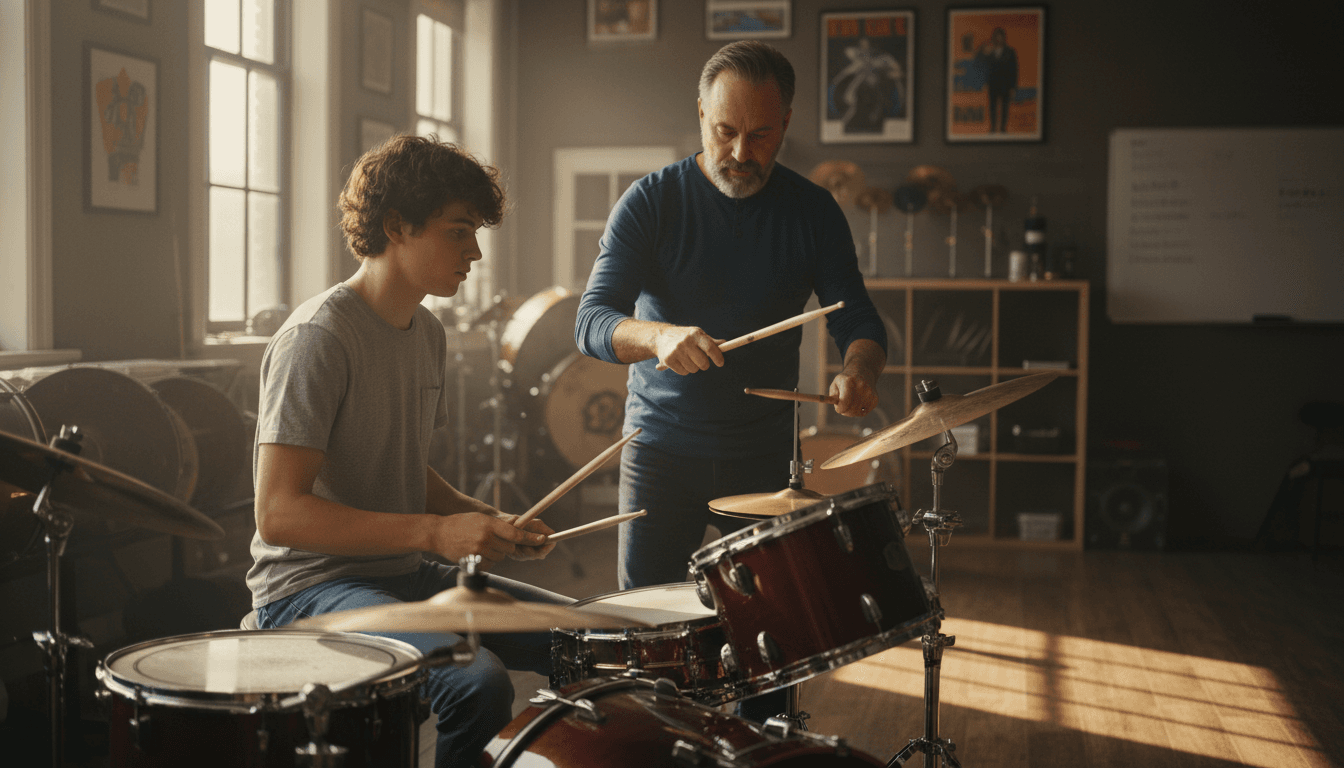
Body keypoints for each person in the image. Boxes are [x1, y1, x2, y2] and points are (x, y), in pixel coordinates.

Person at [574, 41, 887, 720]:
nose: (741, 152)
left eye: (761, 134)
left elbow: (858, 319)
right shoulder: (651, 203)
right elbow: (592, 321)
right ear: (700, 115)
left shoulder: (812, 211)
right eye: (724, 131)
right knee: (652, 640)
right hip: (660, 450)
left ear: (787, 123)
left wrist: (858, 370)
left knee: (770, 645)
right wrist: (657, 336)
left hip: (763, 457)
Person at [246, 135, 571, 768]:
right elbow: (278, 514)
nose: (475, 251)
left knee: (584, 639)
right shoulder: (317, 338)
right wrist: (434, 533)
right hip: (308, 587)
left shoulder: (427, 331)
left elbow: (396, 465)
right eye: (458, 232)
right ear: (396, 226)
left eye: (475, 232)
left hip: (396, 572)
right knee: (477, 682)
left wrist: (481, 518)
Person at [975, 27, 1018, 133]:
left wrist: (1013, 87)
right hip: (993, 84)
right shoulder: (990, 51)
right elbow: (983, 65)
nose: (999, 39)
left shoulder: (1010, 52)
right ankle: (993, 128)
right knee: (992, 107)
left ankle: (1003, 128)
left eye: (1001, 37)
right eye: (996, 37)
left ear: (1004, 38)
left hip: (1005, 84)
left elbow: (1014, 70)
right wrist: (985, 82)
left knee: (1004, 107)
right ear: (994, 38)